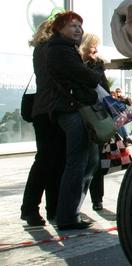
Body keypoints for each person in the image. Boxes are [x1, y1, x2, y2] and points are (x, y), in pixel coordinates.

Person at [37, 11, 101, 230]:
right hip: (71, 110)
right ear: (59, 28)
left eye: (80, 26)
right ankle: (67, 216)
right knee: (78, 162)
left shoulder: (64, 48)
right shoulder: (59, 50)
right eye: (73, 26)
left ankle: (70, 212)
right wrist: (93, 75)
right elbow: (87, 78)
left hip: (70, 109)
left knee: (88, 161)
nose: (78, 30)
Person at [19, 19, 66, 226]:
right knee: (49, 160)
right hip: (49, 110)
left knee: (49, 160)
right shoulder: (51, 48)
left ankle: (44, 208)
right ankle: (34, 208)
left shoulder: (41, 48)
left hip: (43, 109)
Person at [79, 33, 109, 212]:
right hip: (80, 114)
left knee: (96, 160)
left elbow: (104, 90)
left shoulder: (97, 66)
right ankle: (77, 202)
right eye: (92, 46)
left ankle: (97, 199)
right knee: (85, 160)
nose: (95, 50)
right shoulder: (74, 63)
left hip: (96, 116)